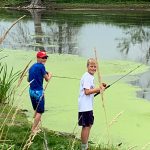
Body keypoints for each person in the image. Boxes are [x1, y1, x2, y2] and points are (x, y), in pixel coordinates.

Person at [78, 58, 106, 150]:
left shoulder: (90, 77)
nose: (93, 68)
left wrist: (100, 88)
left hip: (87, 106)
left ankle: (85, 145)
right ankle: (84, 147)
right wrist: (98, 89)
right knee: (86, 126)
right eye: (91, 66)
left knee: (89, 124)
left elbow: (91, 91)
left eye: (95, 67)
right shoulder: (87, 77)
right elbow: (86, 92)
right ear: (87, 67)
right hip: (85, 106)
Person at [28, 50, 52, 133]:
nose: (45, 59)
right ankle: (33, 129)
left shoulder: (32, 67)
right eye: (43, 58)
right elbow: (47, 79)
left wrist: (42, 74)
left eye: (46, 57)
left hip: (31, 91)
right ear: (38, 58)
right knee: (40, 111)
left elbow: (28, 80)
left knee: (36, 109)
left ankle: (36, 126)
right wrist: (50, 75)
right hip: (38, 92)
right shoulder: (42, 67)